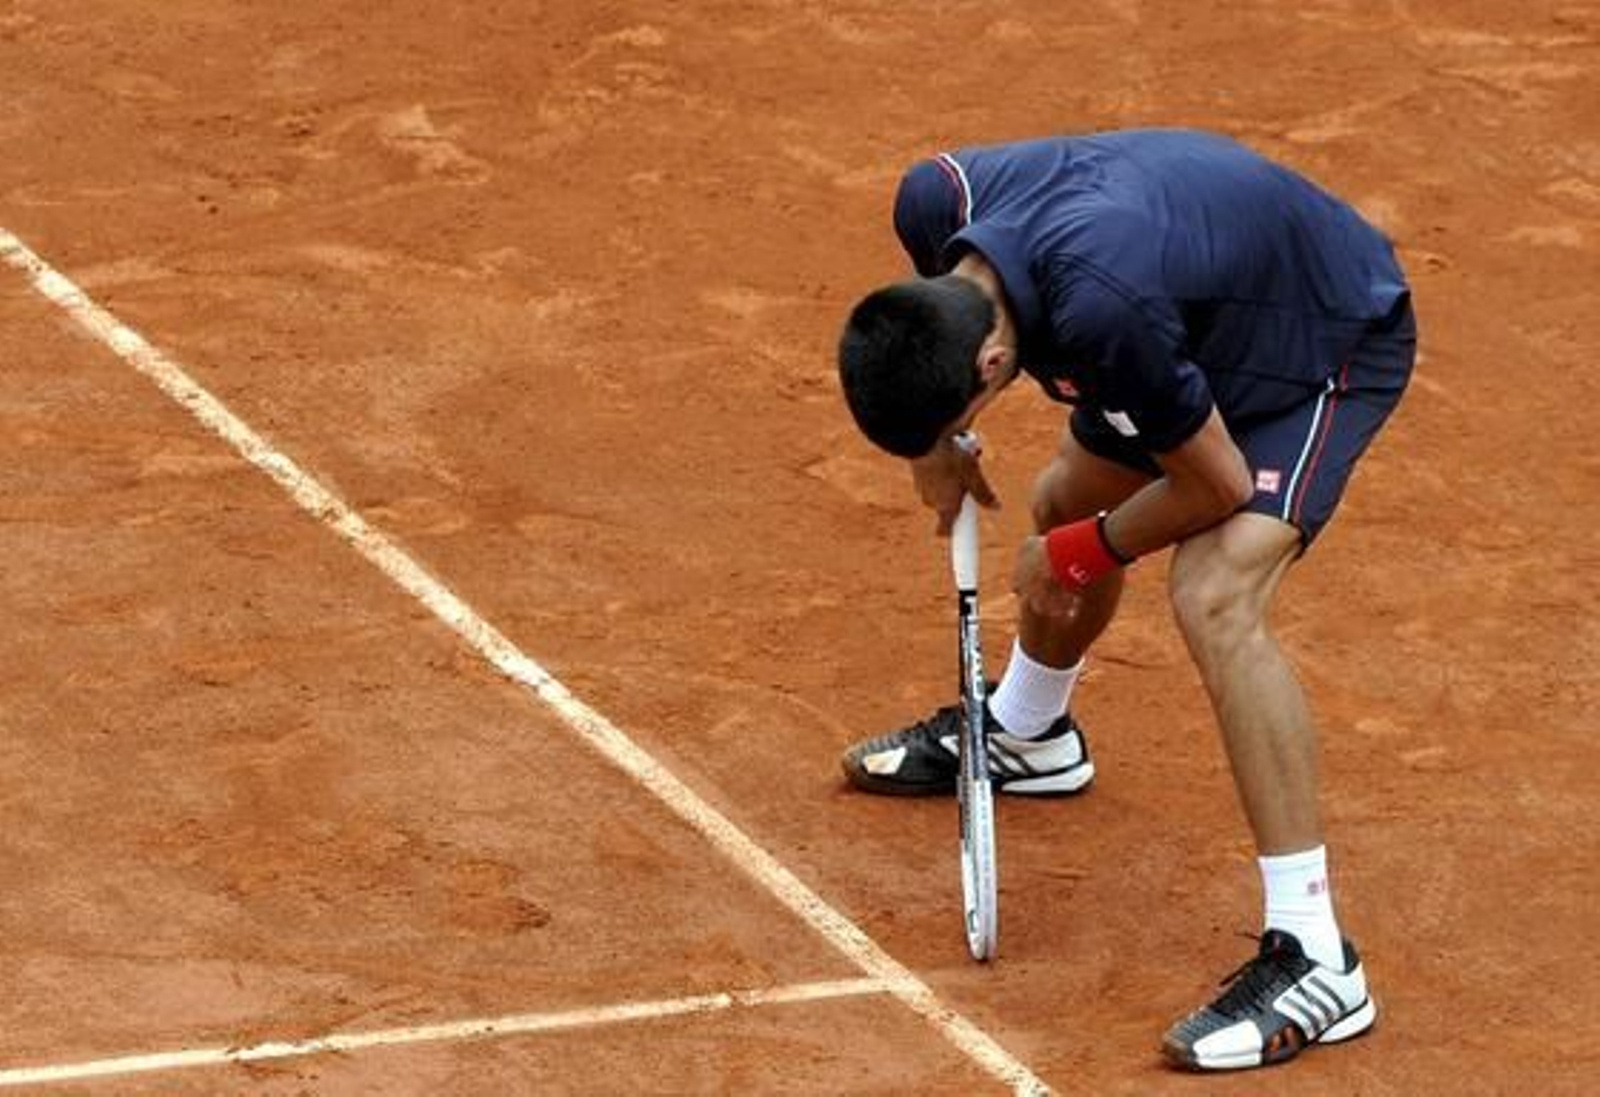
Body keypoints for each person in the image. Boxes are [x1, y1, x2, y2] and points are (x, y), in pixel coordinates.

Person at [835, 129, 1415, 1072]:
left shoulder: (1105, 312)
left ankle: (1318, 954)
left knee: (1213, 593)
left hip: (1317, 339)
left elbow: (1216, 484)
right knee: (1065, 492)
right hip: (1186, 310)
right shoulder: (935, 206)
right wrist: (936, 447)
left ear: (991, 364)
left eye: (962, 413)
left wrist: (1076, 556)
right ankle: (1031, 733)